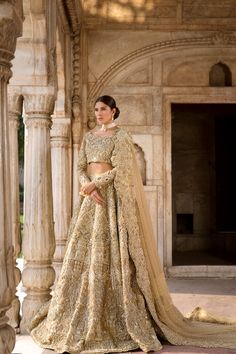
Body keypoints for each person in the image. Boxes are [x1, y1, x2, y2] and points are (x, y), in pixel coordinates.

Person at [30, 95, 236, 354]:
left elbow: (123, 169)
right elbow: (82, 165)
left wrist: (97, 184)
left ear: (114, 111)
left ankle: (123, 317)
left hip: (111, 201)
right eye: (96, 109)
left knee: (116, 254)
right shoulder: (89, 136)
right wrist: (86, 184)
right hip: (90, 201)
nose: (98, 113)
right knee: (83, 254)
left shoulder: (121, 136)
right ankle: (81, 314)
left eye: (103, 109)